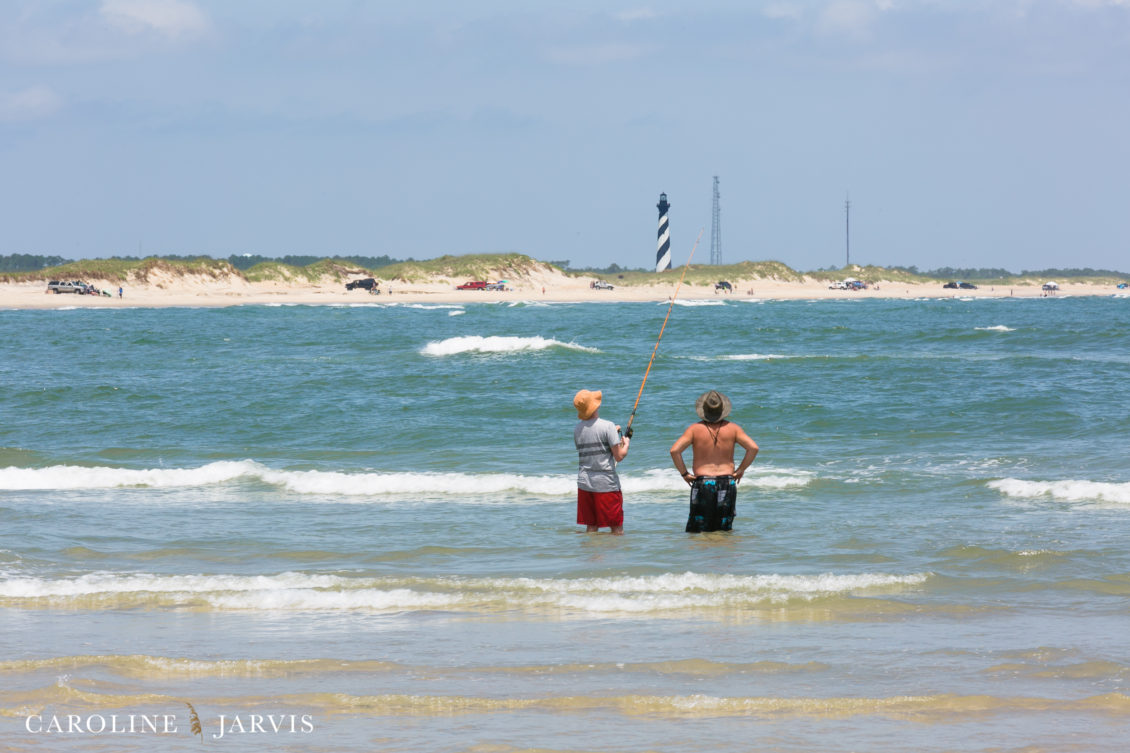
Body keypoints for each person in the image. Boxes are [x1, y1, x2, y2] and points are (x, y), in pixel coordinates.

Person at [669, 390, 759, 533]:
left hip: (703, 483)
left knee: (698, 529)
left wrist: (684, 474)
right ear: (722, 410)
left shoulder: (694, 429)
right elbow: (753, 448)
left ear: (704, 410)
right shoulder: (733, 429)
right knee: (724, 529)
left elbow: (674, 451)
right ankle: (722, 554)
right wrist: (741, 470)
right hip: (727, 482)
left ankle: (702, 554)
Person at [573, 389, 630, 534]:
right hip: (606, 484)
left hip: (585, 483)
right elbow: (619, 456)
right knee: (616, 527)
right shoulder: (608, 426)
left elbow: (593, 444)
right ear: (596, 405)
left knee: (591, 527)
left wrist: (613, 434)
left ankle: (592, 555)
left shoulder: (577, 429)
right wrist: (626, 444)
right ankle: (615, 556)